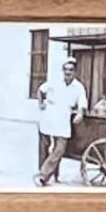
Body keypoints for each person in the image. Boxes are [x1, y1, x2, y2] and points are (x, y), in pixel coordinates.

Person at [35, 58, 86, 186]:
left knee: (59, 149)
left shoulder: (78, 87)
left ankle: (43, 174)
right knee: (44, 148)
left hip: (63, 119)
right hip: (48, 116)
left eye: (71, 70)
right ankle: (46, 175)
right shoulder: (54, 82)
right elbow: (41, 90)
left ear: (75, 72)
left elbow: (82, 103)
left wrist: (80, 113)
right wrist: (40, 103)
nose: (68, 72)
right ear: (63, 71)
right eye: (66, 70)